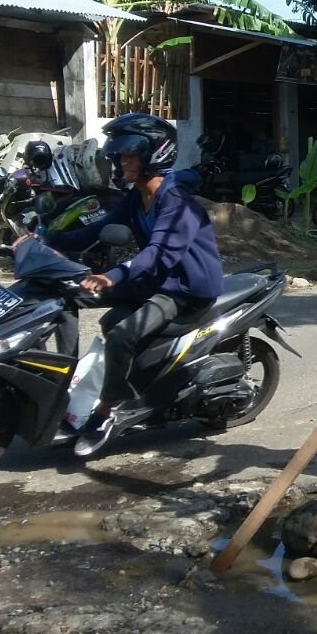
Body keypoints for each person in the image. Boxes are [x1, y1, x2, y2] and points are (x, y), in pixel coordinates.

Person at [30, 113, 224, 456]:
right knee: (67, 295)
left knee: (121, 332)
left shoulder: (176, 203)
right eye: (119, 156)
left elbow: (158, 254)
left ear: (153, 154)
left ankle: (106, 412)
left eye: (128, 156)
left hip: (182, 290)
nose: (121, 163)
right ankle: (65, 387)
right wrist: (47, 240)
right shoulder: (137, 197)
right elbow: (96, 230)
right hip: (155, 280)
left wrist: (112, 275)